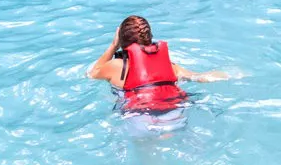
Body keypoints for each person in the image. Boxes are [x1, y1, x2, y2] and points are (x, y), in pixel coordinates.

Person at [86, 15, 228, 114]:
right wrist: (230, 74)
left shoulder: (116, 66)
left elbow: (92, 73)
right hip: (175, 111)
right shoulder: (170, 66)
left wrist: (113, 45)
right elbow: (200, 77)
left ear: (122, 41)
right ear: (150, 38)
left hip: (139, 115)